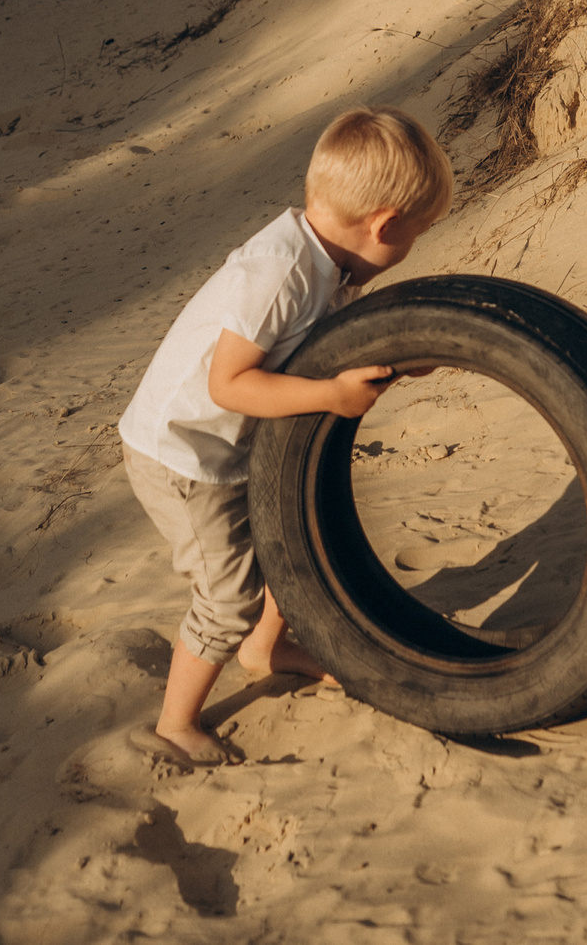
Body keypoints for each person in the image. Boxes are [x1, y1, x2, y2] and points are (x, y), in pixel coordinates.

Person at [116, 106, 454, 765]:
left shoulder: (330, 263)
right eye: (418, 233)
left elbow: (326, 347)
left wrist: (397, 358)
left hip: (230, 445)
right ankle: (175, 724)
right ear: (384, 226)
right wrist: (332, 396)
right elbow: (229, 385)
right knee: (229, 594)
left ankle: (265, 651)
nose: (414, 246)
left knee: (287, 543)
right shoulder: (279, 274)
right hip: (183, 456)